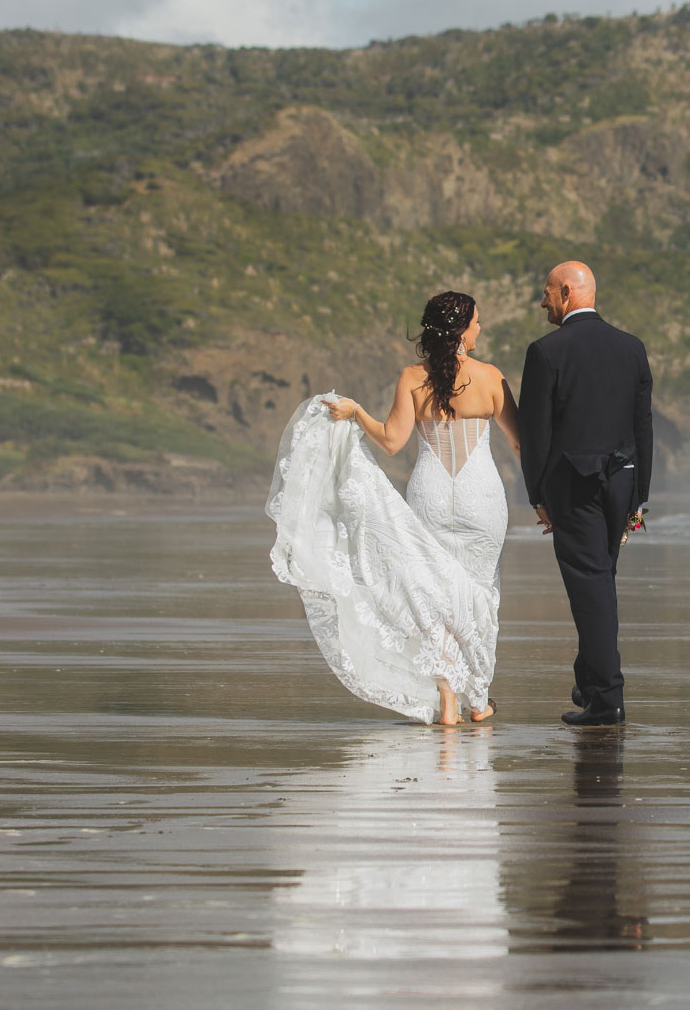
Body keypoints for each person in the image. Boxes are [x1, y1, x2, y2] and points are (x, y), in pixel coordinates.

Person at [266, 291, 520, 725]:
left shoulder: (412, 378)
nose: (480, 329)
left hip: (430, 494)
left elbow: (389, 441)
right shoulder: (491, 378)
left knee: (431, 594)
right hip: (481, 497)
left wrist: (356, 412)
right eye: (476, 322)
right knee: (479, 591)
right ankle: (479, 699)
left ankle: (447, 701)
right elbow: (520, 443)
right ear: (461, 330)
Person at [518, 261, 654, 727]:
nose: (542, 303)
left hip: (573, 487)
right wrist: (640, 497)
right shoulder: (631, 348)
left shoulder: (545, 352)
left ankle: (607, 699)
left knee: (590, 586)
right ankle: (590, 679)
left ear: (568, 293)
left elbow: (536, 434)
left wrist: (537, 494)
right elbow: (642, 428)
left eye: (547, 294)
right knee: (600, 584)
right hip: (623, 482)